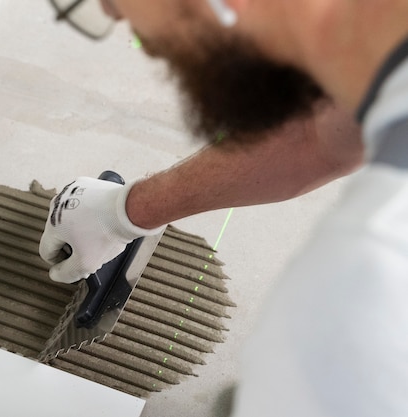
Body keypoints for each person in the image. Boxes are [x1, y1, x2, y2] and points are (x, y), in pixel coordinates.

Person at [41, 1, 408, 415]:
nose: (148, 49)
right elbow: (317, 138)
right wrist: (124, 212)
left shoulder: (371, 287)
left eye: (120, 8)